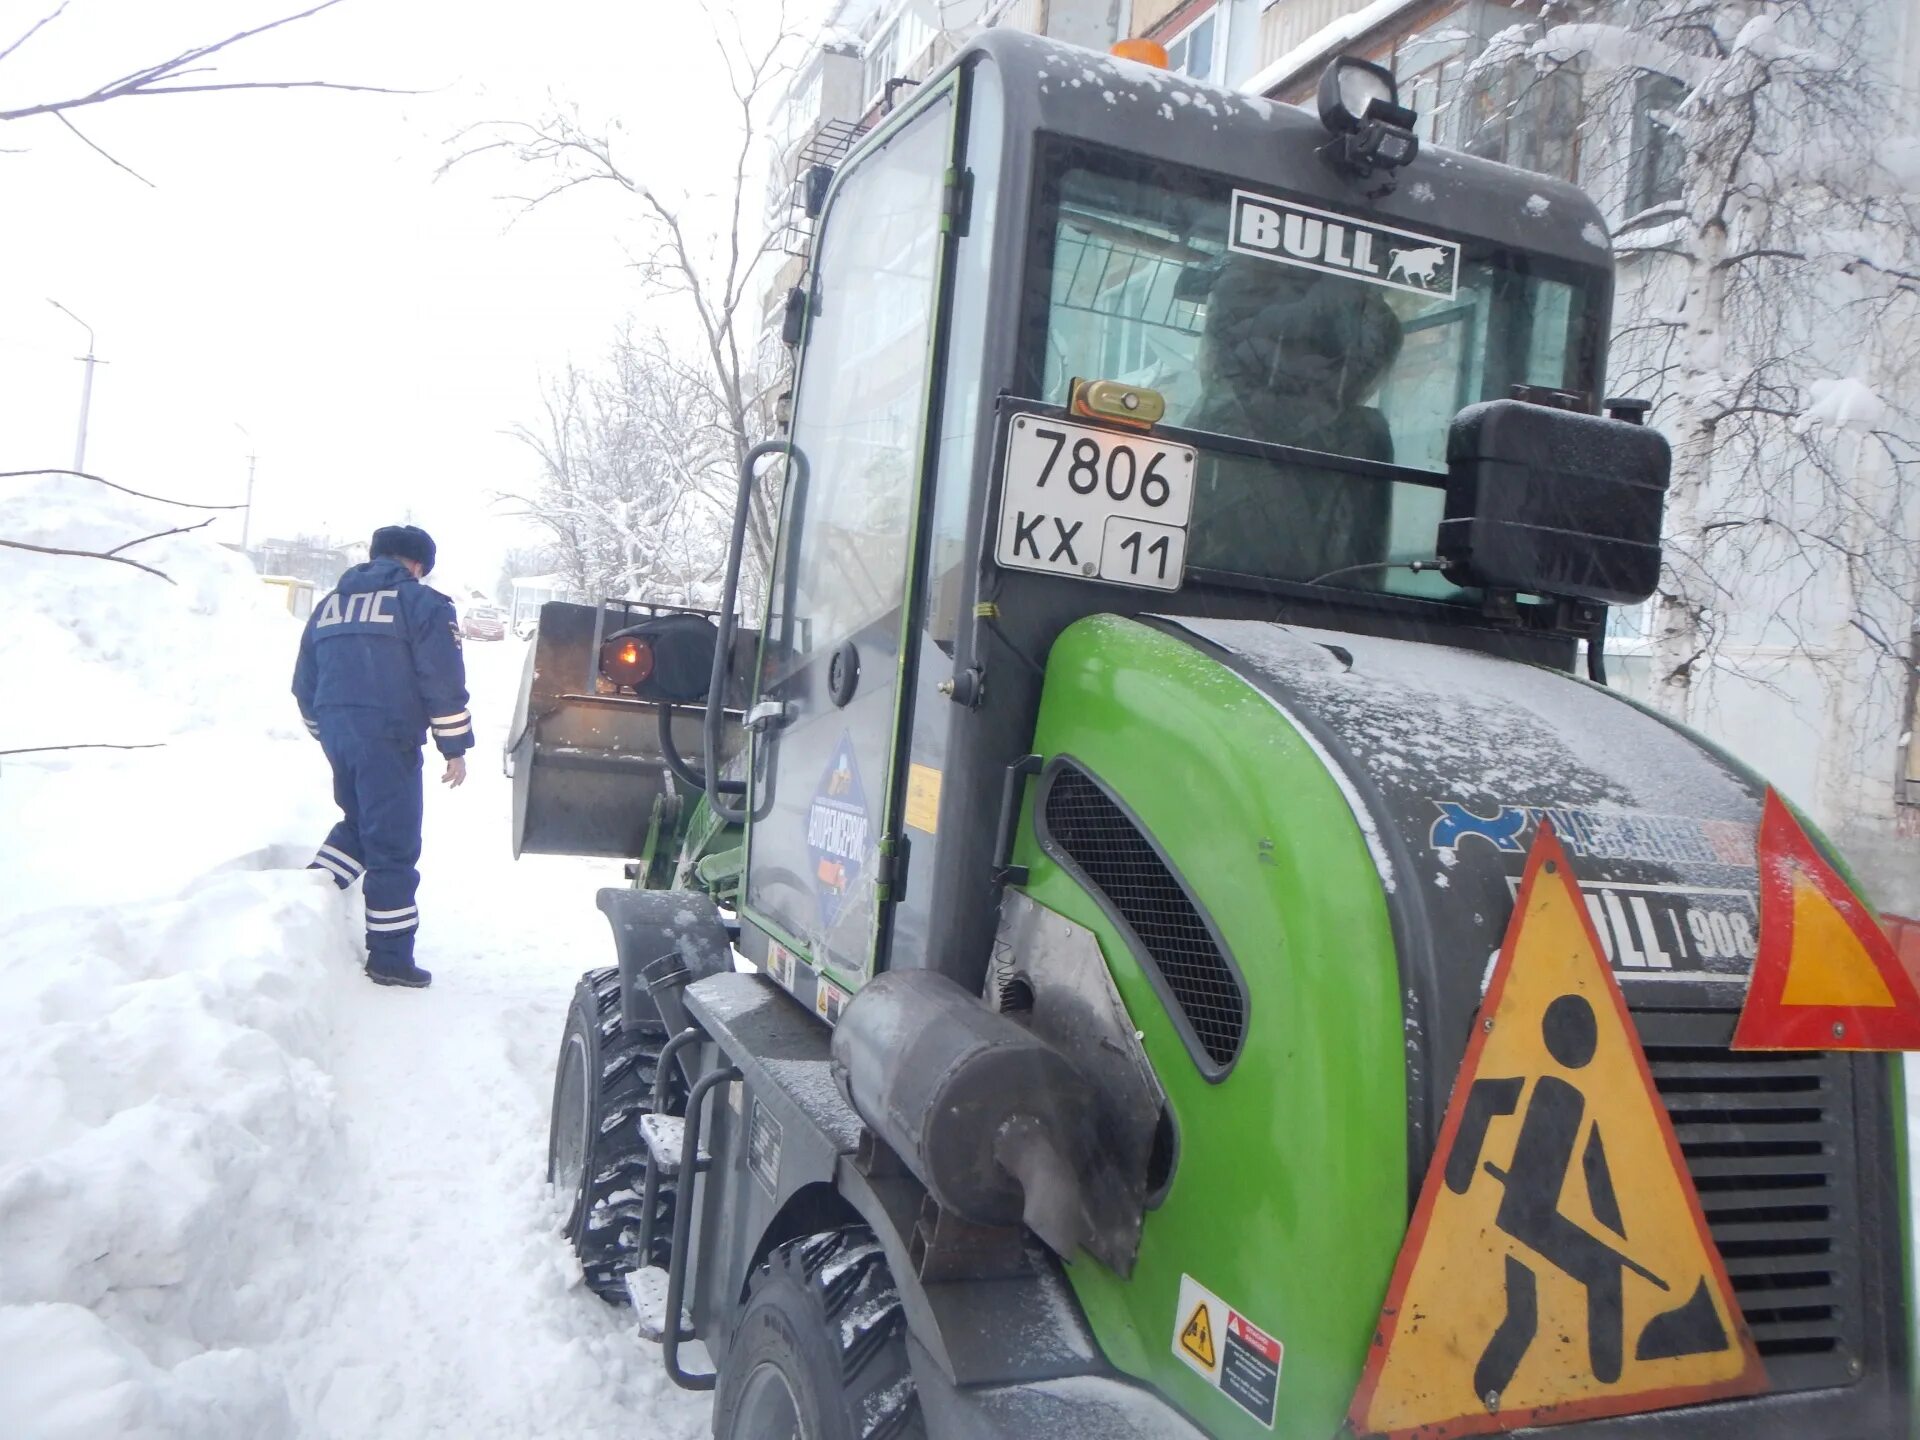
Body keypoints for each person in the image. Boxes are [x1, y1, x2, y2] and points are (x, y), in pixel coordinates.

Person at [292, 524, 472, 988]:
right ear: (417, 566)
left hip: (337, 730)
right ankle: (390, 958)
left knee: (360, 821)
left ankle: (309, 894)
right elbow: (442, 681)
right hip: (386, 735)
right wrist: (454, 748)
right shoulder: (422, 604)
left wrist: (327, 730)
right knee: (392, 842)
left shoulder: (330, 605)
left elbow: (304, 682)